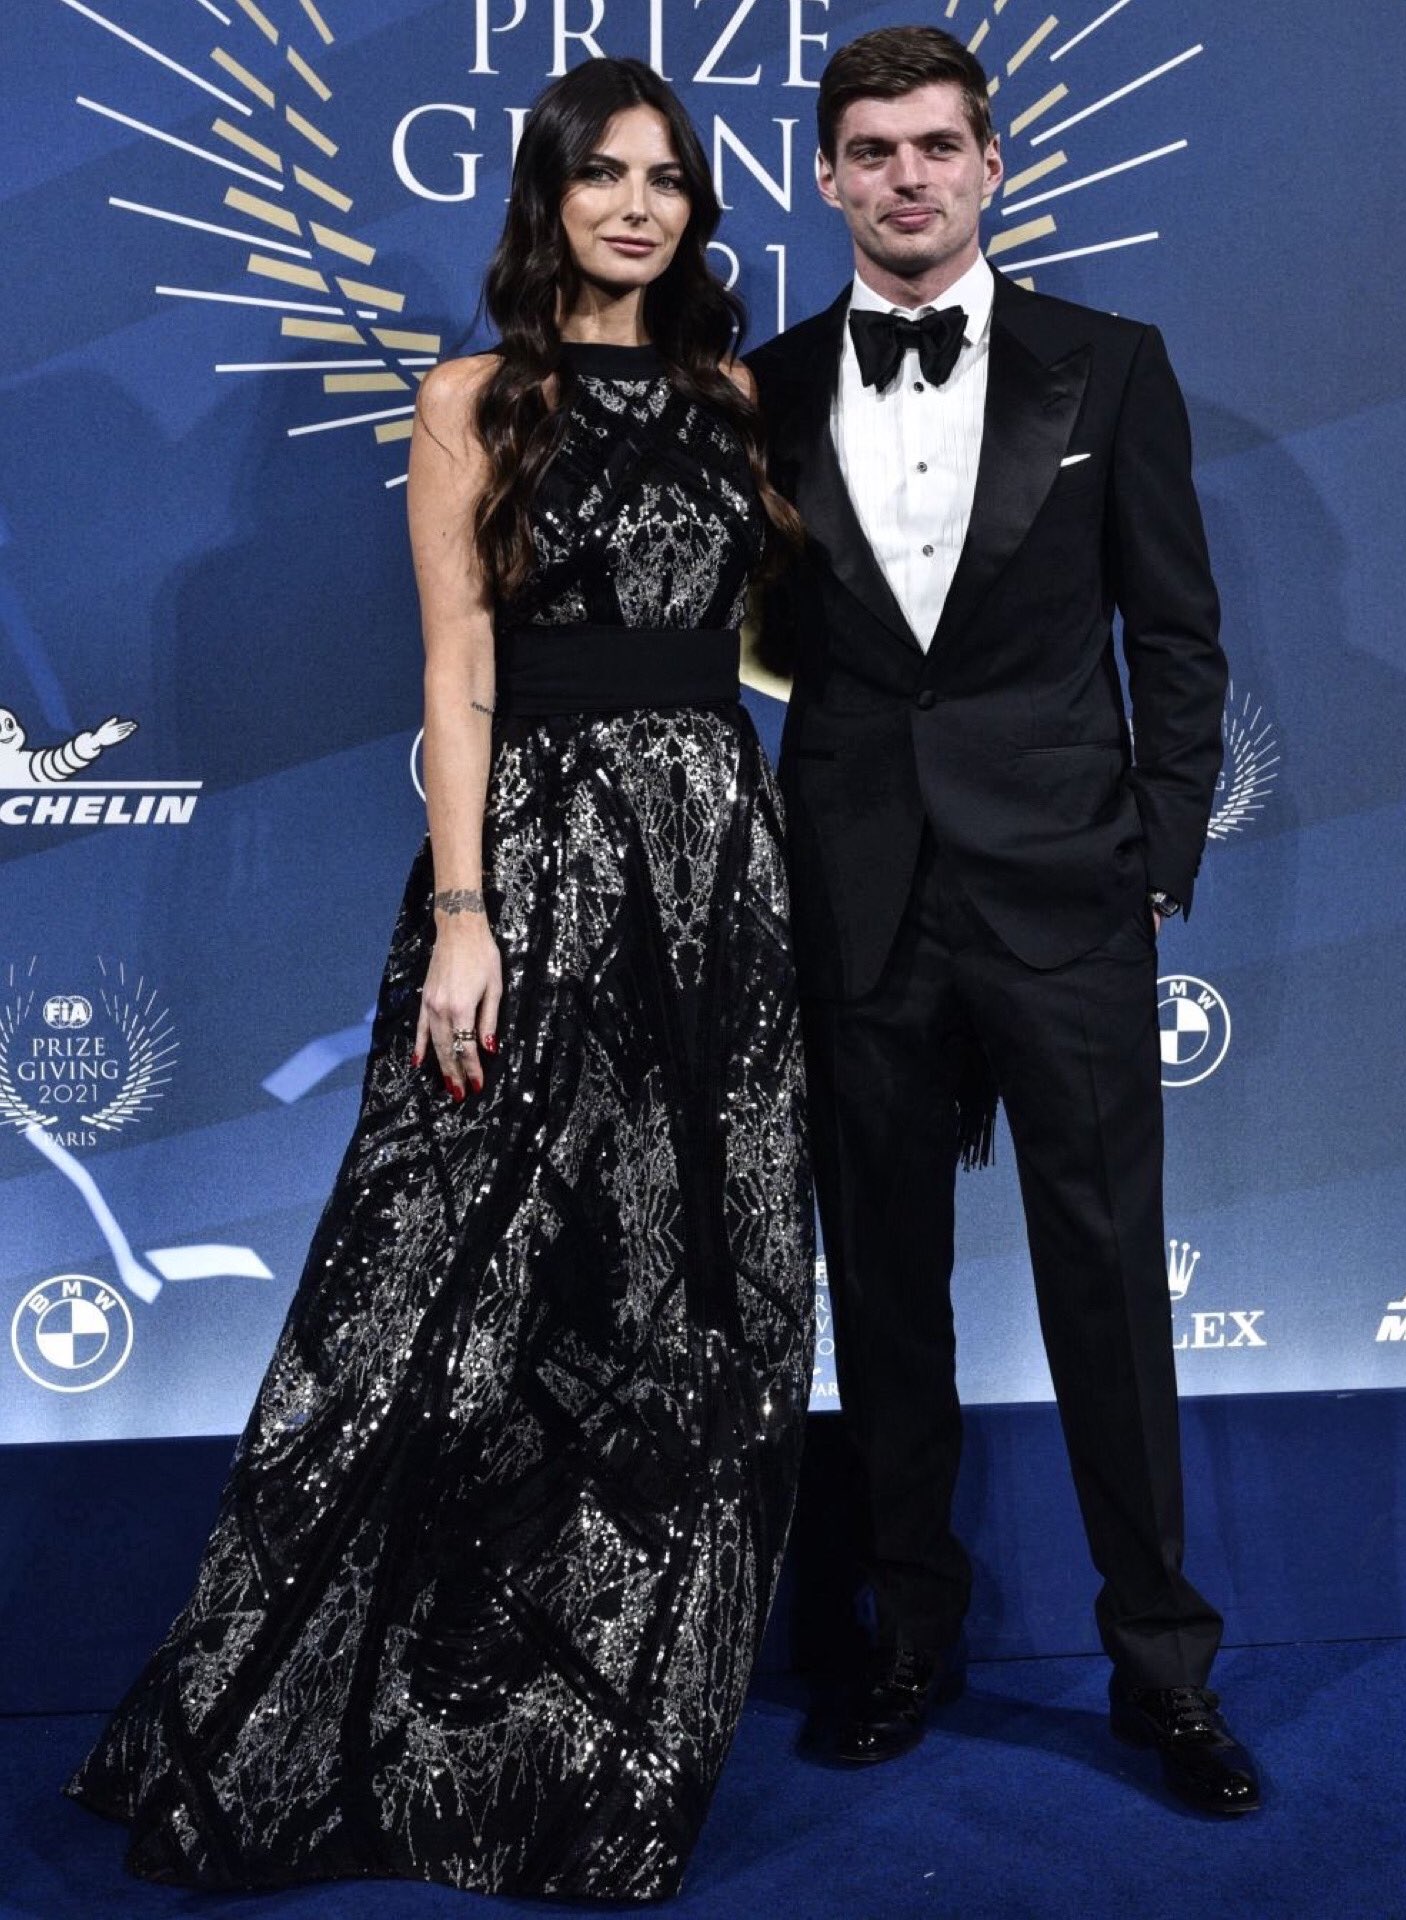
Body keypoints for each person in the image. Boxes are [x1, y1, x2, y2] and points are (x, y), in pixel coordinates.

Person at [66, 57, 815, 1902]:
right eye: (603, 177)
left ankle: (608, 1755)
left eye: (668, 180)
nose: (639, 207)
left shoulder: (734, 396)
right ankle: (304, 1734)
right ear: (546, 199)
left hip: (719, 871)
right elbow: (455, 675)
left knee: (689, 1305)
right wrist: (466, 912)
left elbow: (769, 656)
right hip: (539, 869)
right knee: (427, 1305)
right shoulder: (472, 399)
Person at [747, 25, 1259, 1814]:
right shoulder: (766, 383)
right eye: (870, 149)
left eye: (936, 146)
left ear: (992, 165)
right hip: (858, 892)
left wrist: (1154, 854)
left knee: (1109, 1288)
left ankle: (1164, 1671)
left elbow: (1178, 634)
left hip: (1064, 897)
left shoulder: (1108, 367)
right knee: (882, 1293)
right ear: (825, 177)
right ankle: (907, 1640)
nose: (906, 176)